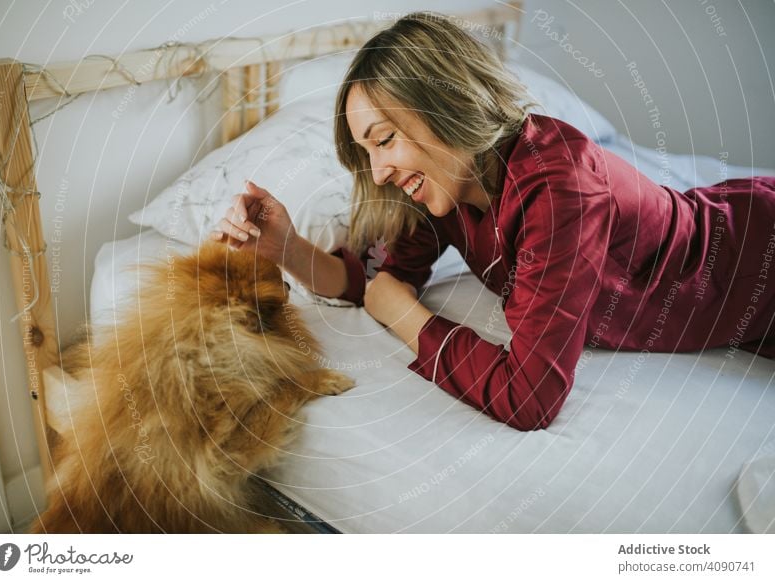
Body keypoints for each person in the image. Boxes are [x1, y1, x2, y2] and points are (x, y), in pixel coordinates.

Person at [211, 12, 775, 431]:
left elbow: (530, 398)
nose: (379, 171)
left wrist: (408, 319)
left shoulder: (559, 187)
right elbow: (377, 279)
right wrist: (286, 247)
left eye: (384, 140)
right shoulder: (443, 186)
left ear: (444, 108)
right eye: (368, 154)